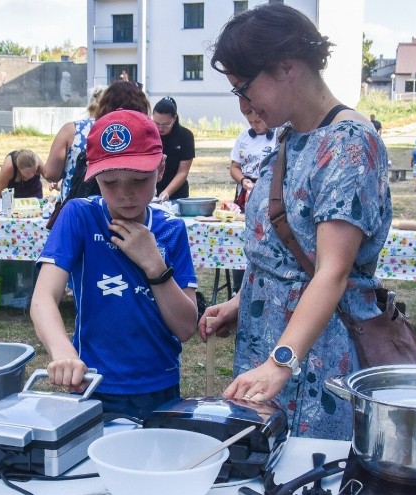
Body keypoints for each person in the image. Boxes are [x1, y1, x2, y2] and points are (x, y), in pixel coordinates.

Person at [202, 3, 392, 440]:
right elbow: (288, 250)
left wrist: (281, 361)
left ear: (287, 67)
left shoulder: (349, 144)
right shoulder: (291, 137)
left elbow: (333, 270)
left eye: (243, 88)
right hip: (275, 346)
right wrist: (241, 303)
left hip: (313, 355)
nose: (242, 104)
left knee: (308, 481)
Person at [31, 109, 199, 420]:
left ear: (161, 169)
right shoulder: (80, 216)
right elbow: (43, 298)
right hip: (95, 384)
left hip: (159, 385)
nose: (125, 194)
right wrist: (64, 353)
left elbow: (187, 326)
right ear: (92, 175)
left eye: (139, 180)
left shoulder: (172, 230)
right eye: (109, 182)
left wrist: (155, 266)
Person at [229, 108, 277, 292]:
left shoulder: (277, 137)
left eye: (258, 122)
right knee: (242, 235)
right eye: (251, 123)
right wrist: (243, 180)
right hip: (246, 189)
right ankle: (238, 285)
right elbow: (234, 167)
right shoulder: (244, 138)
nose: (255, 126)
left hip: (268, 190)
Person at [43, 85, 105, 202]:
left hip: (74, 204)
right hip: (108, 206)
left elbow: (50, 174)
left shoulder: (71, 130)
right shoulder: (114, 130)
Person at [152, 97, 195, 202]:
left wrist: (167, 192)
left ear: (174, 118)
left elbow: (183, 172)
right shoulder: (148, 135)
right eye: (157, 123)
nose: (161, 128)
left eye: (166, 124)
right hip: (150, 190)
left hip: (177, 193)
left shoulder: (185, 136)